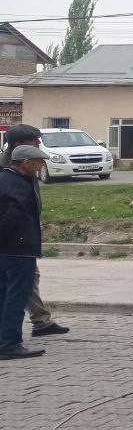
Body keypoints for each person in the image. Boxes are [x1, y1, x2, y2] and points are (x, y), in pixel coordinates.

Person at [1, 125, 69, 339]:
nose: (39, 143)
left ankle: (40, 321)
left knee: (26, 280)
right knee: (17, 288)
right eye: (34, 140)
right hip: (13, 242)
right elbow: (12, 212)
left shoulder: (27, 167)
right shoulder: (10, 171)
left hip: (22, 237)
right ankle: (12, 338)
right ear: (20, 145)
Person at [0, 145, 52, 359]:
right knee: (17, 296)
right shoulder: (18, 183)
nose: (41, 166)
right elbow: (14, 216)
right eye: (38, 162)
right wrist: (16, 239)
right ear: (26, 162)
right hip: (18, 249)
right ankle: (10, 343)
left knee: (4, 294)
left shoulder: (4, 178)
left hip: (6, 249)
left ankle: (4, 341)